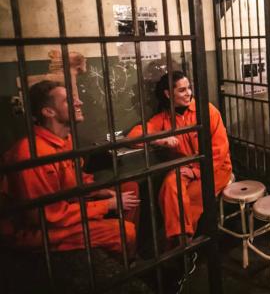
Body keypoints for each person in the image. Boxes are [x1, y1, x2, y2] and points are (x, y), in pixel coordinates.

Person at [1, 80, 139, 257]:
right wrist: (105, 205)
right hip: (32, 231)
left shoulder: (65, 140)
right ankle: (122, 265)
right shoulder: (31, 154)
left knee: (129, 189)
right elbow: (45, 217)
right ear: (48, 111)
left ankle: (114, 250)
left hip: (66, 206)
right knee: (123, 232)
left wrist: (100, 192)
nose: (79, 102)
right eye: (68, 100)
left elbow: (75, 180)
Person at [127, 71, 232, 245]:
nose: (189, 93)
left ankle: (178, 245)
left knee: (182, 200)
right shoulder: (164, 118)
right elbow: (134, 136)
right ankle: (183, 247)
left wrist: (197, 171)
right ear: (168, 94)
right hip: (184, 169)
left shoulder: (207, 111)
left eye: (189, 88)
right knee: (170, 184)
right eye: (182, 90)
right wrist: (159, 139)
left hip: (214, 170)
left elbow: (220, 150)